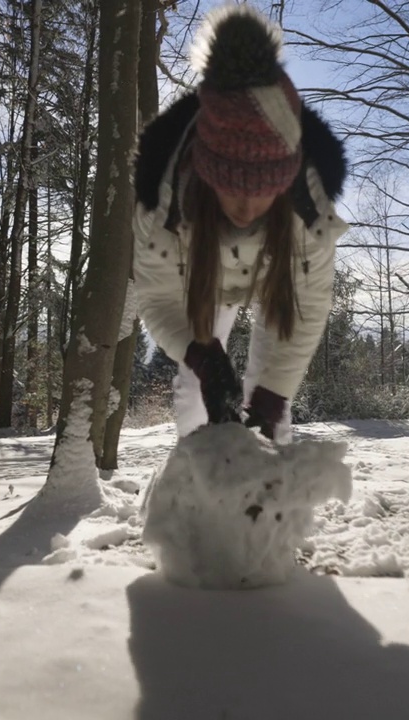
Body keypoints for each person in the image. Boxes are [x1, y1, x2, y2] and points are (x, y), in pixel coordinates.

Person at [132, 5, 347, 446]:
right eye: (231, 186)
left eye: (265, 188)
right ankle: (203, 478)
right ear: (206, 171)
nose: (247, 208)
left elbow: (305, 307)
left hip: (275, 280)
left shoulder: (310, 210)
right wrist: (202, 356)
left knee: (271, 403)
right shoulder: (164, 206)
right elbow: (157, 297)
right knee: (196, 389)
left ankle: (269, 500)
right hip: (202, 279)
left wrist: (272, 395)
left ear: (286, 179)